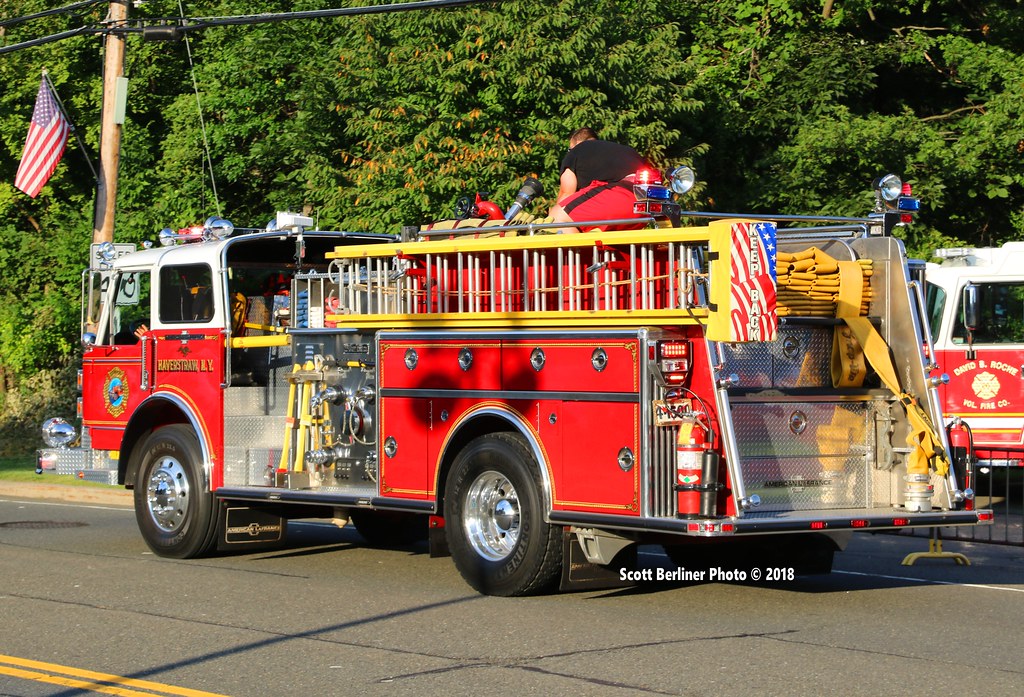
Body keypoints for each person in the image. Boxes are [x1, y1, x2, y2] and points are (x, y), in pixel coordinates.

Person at [548, 127, 651, 232]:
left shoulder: (576, 152)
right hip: (648, 203)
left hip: (621, 196)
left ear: (576, 144)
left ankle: (581, 248)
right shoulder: (625, 151)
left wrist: (549, 222)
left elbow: (566, 194)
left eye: (569, 149)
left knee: (556, 218)